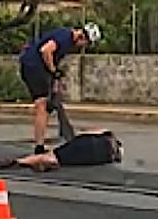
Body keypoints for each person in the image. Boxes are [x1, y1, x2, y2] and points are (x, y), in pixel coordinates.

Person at [19, 23, 101, 154]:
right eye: (86, 43)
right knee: (42, 106)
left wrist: (55, 79)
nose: (83, 47)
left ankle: (41, 144)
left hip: (34, 67)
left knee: (46, 104)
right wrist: (53, 71)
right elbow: (46, 50)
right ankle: (39, 147)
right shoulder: (66, 37)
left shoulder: (67, 39)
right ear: (82, 37)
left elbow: (52, 58)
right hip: (33, 67)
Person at [0, 130, 123, 172]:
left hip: (84, 144)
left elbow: (90, 132)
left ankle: (21, 161)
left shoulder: (108, 135)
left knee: (56, 154)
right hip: (92, 156)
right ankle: (26, 161)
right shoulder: (109, 156)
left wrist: (74, 138)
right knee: (56, 157)